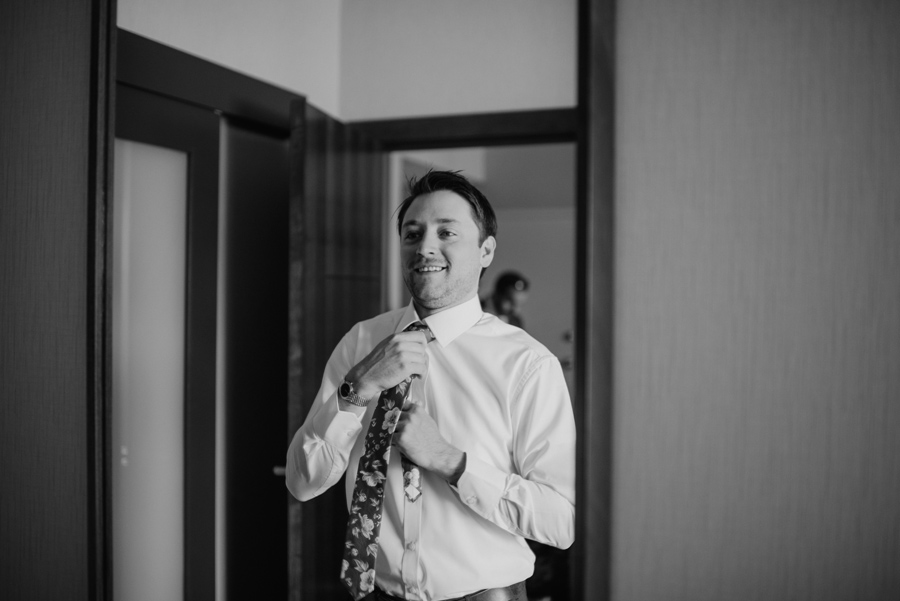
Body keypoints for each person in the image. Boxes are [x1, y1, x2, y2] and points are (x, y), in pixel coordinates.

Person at [286, 170, 575, 601]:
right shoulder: (362, 341)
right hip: (374, 593)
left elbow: (561, 521)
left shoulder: (527, 364)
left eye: (446, 233)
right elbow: (302, 481)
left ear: (485, 251)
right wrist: (357, 388)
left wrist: (450, 461)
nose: (424, 247)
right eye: (412, 233)